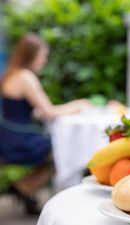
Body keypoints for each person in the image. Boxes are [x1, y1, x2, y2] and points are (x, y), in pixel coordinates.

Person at [0, 33, 90, 214]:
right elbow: (49, 112)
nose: (44, 61)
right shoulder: (25, 77)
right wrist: (77, 105)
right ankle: (24, 188)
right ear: (31, 55)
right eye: (42, 56)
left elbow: (21, 109)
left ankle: (23, 188)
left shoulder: (11, 74)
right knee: (61, 153)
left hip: (9, 136)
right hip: (18, 141)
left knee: (57, 151)